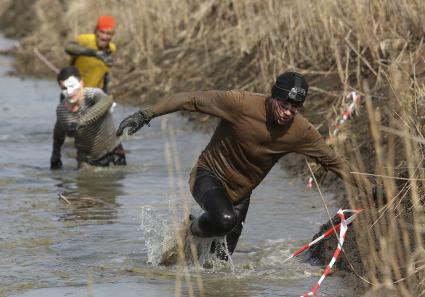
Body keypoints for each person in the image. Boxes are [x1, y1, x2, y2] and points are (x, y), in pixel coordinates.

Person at [116, 72, 375, 259]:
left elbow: (333, 162)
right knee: (225, 219)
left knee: (220, 265)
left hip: (241, 196)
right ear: (273, 97)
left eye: (294, 108)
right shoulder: (240, 104)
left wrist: (372, 190)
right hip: (207, 175)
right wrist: (145, 114)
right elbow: (190, 99)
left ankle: (196, 249)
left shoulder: (300, 132)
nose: (287, 112)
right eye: (284, 104)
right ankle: (190, 230)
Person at [50, 66, 126, 169]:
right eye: (64, 88)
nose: (69, 92)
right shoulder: (62, 110)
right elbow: (59, 133)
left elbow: (106, 101)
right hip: (86, 160)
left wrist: (80, 122)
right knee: (84, 180)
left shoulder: (93, 94)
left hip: (113, 152)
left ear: (81, 83)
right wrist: (55, 155)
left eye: (72, 86)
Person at [65, 15, 117, 94]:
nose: (104, 37)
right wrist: (93, 53)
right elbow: (69, 47)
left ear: (113, 35)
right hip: (73, 92)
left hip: (94, 95)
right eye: (102, 32)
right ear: (96, 31)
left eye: (108, 34)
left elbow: (105, 75)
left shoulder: (112, 49)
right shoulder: (85, 40)